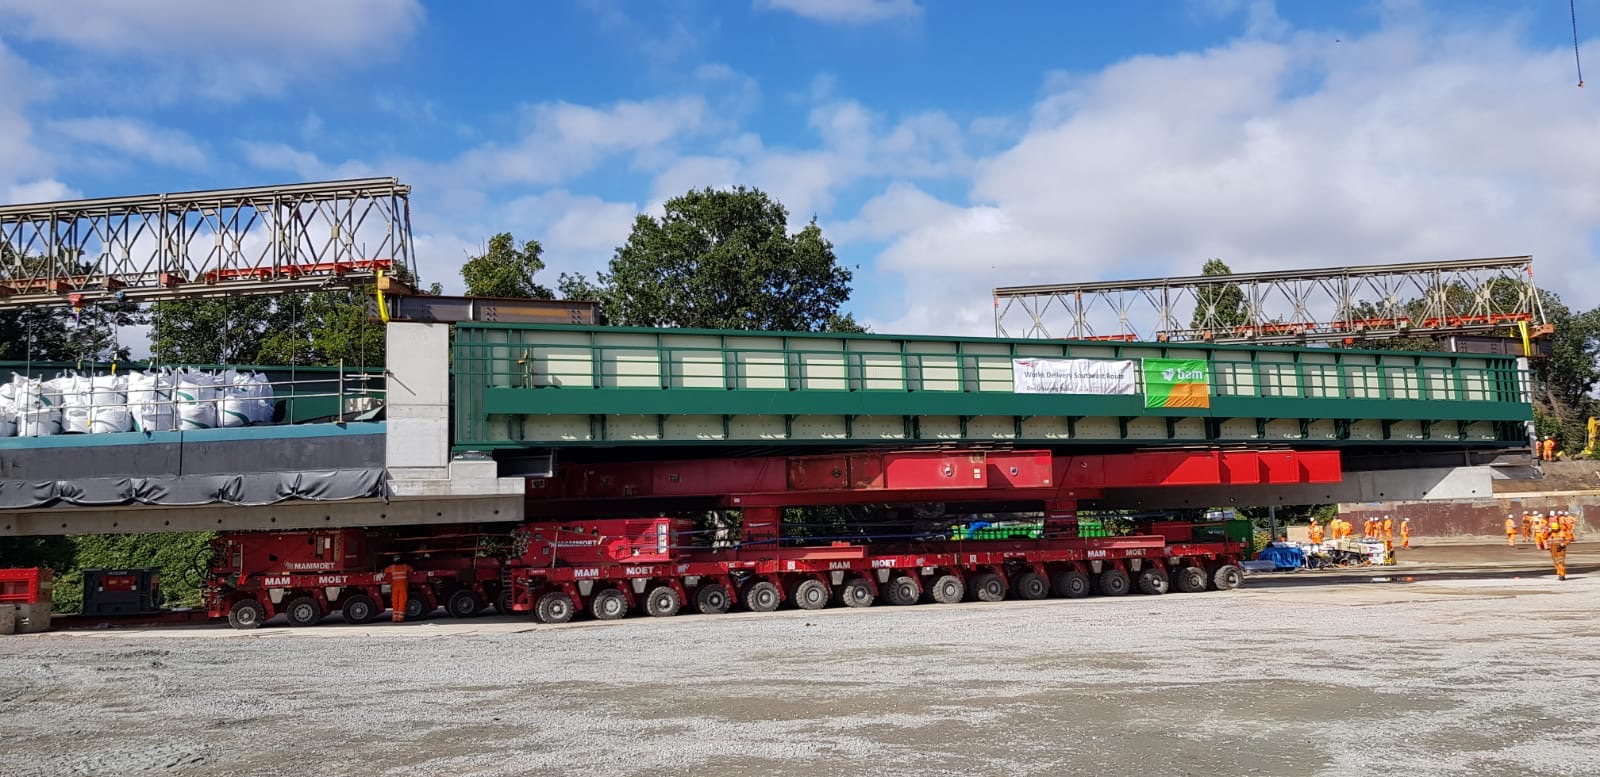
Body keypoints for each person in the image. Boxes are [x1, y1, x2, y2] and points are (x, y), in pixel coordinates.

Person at [384, 555, 414, 623]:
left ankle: (395, 618)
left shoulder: (392, 567)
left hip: (395, 587)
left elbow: (385, 570)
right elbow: (412, 569)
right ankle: (400, 618)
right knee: (402, 601)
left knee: (395, 601)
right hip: (403, 586)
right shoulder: (405, 566)